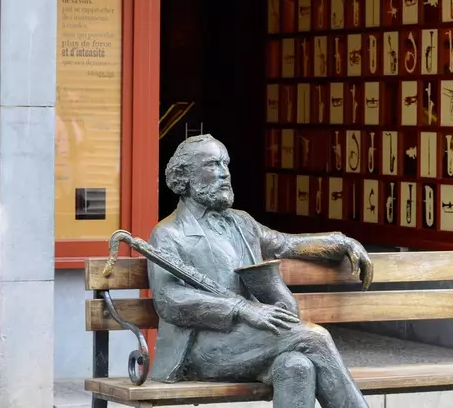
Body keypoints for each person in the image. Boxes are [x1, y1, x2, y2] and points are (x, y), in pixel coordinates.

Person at [148, 134, 374, 408]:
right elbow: (169, 300)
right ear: (185, 176)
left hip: (248, 340)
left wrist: (340, 242)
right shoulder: (169, 233)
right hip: (200, 347)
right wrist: (242, 309)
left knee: (296, 367)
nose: (224, 174)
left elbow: (286, 244)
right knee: (313, 337)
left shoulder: (241, 223)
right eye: (213, 165)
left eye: (225, 164)